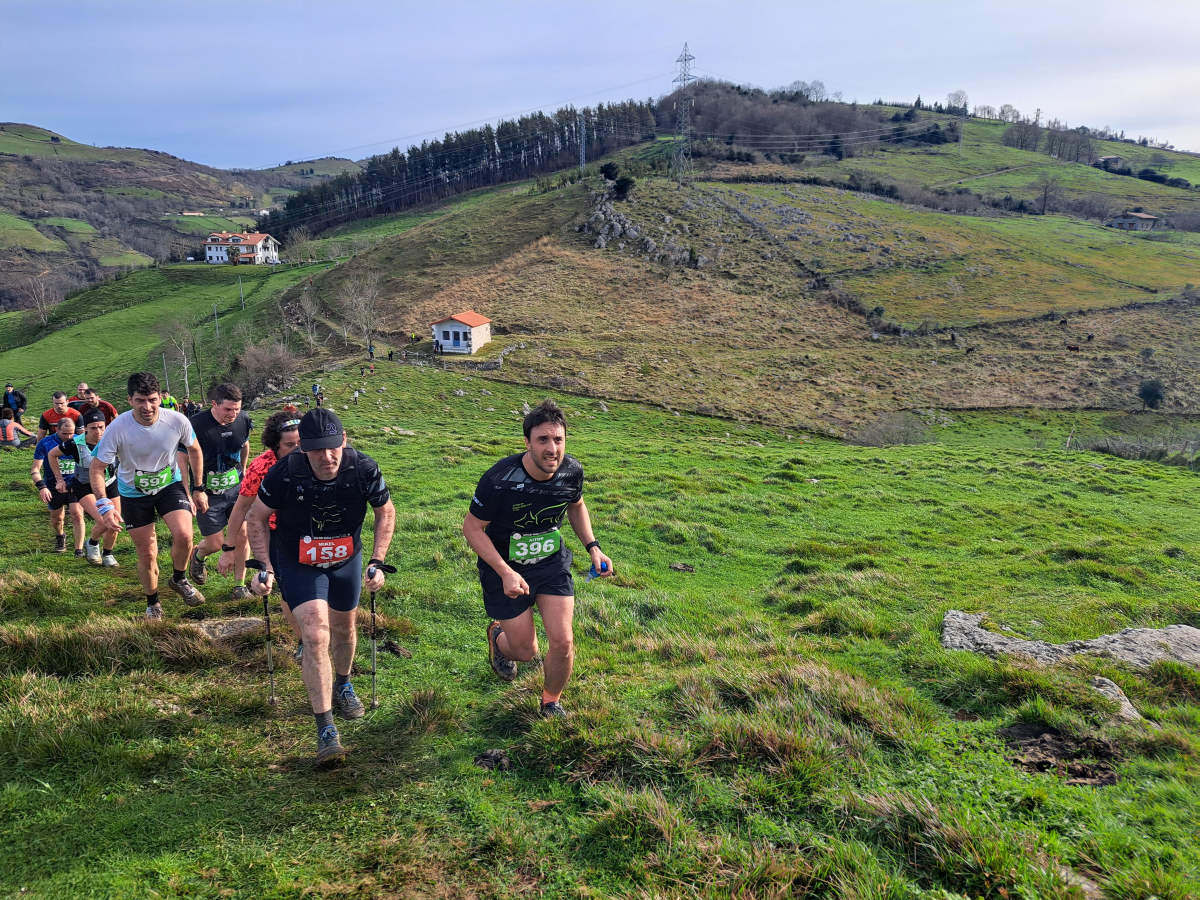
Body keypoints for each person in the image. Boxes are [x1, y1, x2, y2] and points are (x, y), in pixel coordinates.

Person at [246, 408, 395, 766]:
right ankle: (326, 728)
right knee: (315, 634)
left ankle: (343, 682)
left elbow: (385, 511)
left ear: (344, 440)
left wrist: (377, 559)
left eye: (333, 447)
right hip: (298, 560)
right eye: (316, 450)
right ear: (303, 448)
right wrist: (264, 566)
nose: (326, 457)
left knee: (345, 629)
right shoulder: (285, 472)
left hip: (346, 559)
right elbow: (256, 517)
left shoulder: (363, 467)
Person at [462, 399, 614, 719]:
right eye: (543, 439)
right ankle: (498, 638)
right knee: (525, 650)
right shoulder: (500, 479)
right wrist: (504, 572)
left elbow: (576, 505)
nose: (552, 449)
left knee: (563, 641)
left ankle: (550, 703)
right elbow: (472, 528)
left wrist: (593, 547)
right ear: (527, 442)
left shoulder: (571, 471)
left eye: (558, 439)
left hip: (550, 564)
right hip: (503, 567)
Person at [92, 372, 205, 620]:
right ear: (129, 400)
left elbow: (195, 450)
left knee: (185, 535)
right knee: (147, 551)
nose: (147, 407)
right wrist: (104, 505)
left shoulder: (176, 420)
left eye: (152, 400)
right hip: (133, 493)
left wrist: (198, 488)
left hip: (169, 484)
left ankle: (179, 579)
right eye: (140, 401)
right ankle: (153, 603)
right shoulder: (117, 428)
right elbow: (97, 468)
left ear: (160, 398)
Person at [218, 409, 303, 654]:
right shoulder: (261, 467)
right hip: (276, 532)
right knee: (288, 590)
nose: (297, 449)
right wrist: (229, 548)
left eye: (301, 442)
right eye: (289, 445)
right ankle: (303, 641)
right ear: (275, 445)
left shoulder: (316, 457)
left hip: (313, 531)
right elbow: (241, 508)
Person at [187, 383, 253, 600]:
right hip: (207, 492)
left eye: (237, 409)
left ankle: (239, 586)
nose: (233, 414)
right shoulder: (196, 424)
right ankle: (198, 554)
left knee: (243, 534)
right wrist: (193, 489)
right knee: (215, 543)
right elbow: (182, 457)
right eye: (228, 409)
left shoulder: (243, 420)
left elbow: (244, 444)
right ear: (214, 404)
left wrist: (244, 469)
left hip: (235, 488)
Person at [49, 408, 120, 567]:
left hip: (110, 483)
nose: (98, 431)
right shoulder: (75, 443)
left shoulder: (113, 438)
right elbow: (52, 455)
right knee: (104, 520)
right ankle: (92, 543)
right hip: (85, 485)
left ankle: (108, 554)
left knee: (114, 523)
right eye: (93, 428)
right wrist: (59, 479)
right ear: (85, 428)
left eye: (101, 427)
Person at [32, 417, 85, 553]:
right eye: (65, 433)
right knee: (57, 518)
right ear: (57, 429)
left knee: (77, 514)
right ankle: (60, 536)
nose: (68, 437)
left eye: (71, 433)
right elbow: (35, 470)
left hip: (75, 484)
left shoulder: (80, 441)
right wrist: (42, 487)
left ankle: (79, 550)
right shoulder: (45, 443)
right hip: (53, 486)